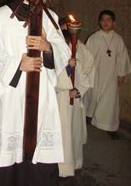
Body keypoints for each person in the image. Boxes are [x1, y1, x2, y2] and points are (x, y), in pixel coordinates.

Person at [0, 0, 71, 186]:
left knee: (39, 148)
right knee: (9, 144)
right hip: (9, 96)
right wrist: (18, 64)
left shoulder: (50, 17)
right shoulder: (1, 16)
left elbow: (63, 52)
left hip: (41, 94)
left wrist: (48, 47)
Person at [84, 9, 131, 139]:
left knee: (110, 102)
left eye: (109, 20)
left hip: (111, 75)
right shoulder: (94, 38)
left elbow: (122, 57)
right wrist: (85, 73)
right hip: (96, 74)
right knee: (93, 97)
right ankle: (90, 117)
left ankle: (110, 127)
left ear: (113, 22)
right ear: (100, 22)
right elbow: (86, 56)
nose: (106, 22)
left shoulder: (118, 39)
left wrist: (121, 74)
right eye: (103, 20)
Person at [56, 23, 95, 177]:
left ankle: (74, 162)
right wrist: (63, 85)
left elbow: (89, 72)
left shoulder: (83, 50)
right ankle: (59, 166)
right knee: (61, 132)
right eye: (64, 28)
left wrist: (78, 90)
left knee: (73, 133)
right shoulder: (57, 49)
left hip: (75, 98)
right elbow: (50, 74)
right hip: (59, 99)